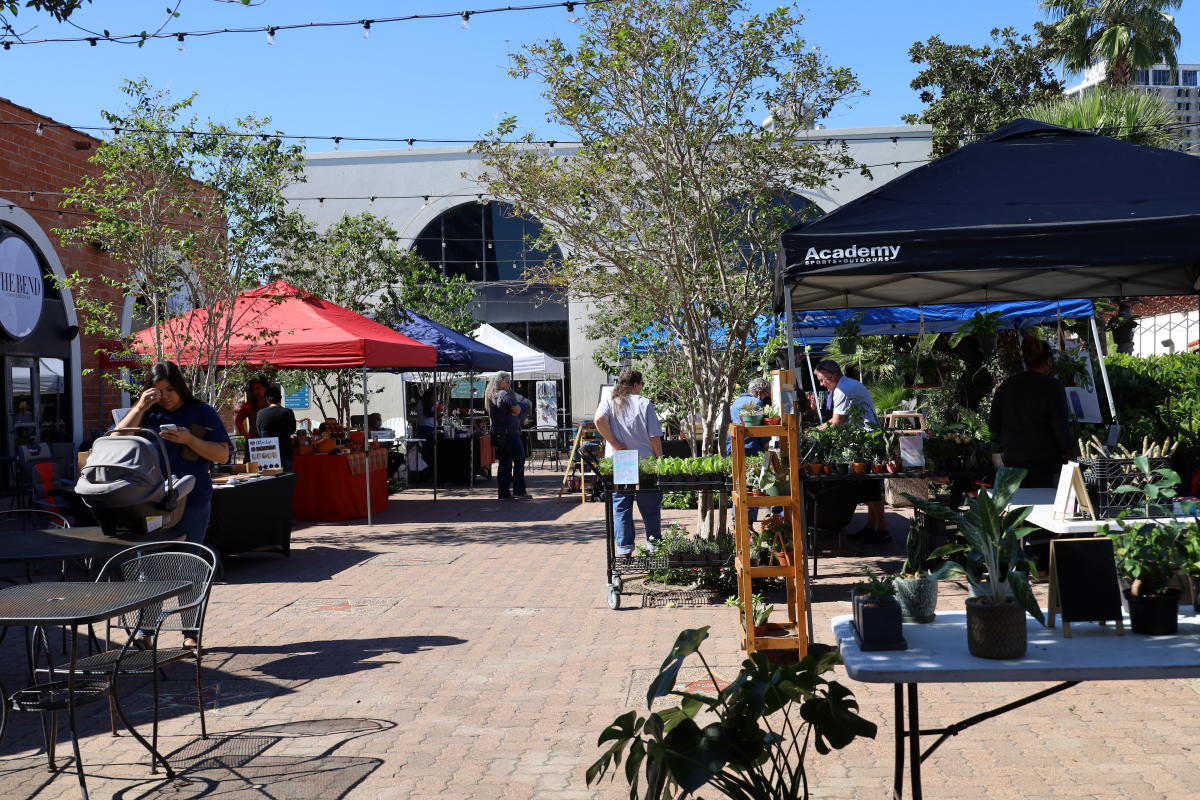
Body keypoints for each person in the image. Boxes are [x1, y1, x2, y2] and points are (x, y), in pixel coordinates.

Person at [116, 361, 230, 649]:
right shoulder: (146, 413)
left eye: (170, 389)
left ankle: (190, 633)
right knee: (149, 568)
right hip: (150, 504)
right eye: (158, 390)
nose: (166, 396)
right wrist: (140, 407)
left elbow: (223, 455)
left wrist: (188, 439)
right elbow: (116, 441)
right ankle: (146, 632)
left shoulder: (201, 412)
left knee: (189, 566)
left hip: (193, 501)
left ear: (181, 387)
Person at [814, 359, 887, 541]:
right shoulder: (850, 384)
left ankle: (883, 531)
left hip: (868, 442)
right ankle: (871, 527)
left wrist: (814, 431)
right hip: (870, 439)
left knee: (871, 488)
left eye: (822, 380)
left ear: (831, 375)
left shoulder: (841, 390)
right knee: (870, 488)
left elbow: (837, 422)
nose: (822, 384)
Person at [594, 369, 664, 556]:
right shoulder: (644, 403)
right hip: (645, 461)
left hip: (621, 460)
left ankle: (624, 551)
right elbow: (654, 437)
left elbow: (598, 420)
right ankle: (654, 547)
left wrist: (615, 444)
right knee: (650, 507)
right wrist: (661, 460)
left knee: (622, 506)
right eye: (641, 385)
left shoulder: (610, 400)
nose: (642, 388)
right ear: (635, 385)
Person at [989, 335, 1072, 488]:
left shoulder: (1006, 386)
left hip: (1013, 458)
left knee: (1019, 505)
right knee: (1044, 504)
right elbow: (1060, 426)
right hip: (1045, 460)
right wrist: (1068, 451)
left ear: (1025, 361)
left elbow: (993, 424)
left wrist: (1008, 443)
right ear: (1049, 361)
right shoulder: (1052, 387)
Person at [728, 377, 773, 529]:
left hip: (735, 450)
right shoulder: (756, 403)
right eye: (766, 395)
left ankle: (737, 523)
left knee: (740, 488)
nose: (767, 399)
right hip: (751, 451)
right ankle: (747, 524)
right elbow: (760, 433)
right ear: (760, 392)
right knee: (753, 489)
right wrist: (769, 451)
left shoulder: (735, 403)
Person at [486, 371, 531, 501]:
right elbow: (516, 410)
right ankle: (519, 491)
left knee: (504, 463)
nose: (510, 384)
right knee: (519, 459)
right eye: (508, 381)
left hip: (499, 434)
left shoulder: (491, 395)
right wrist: (521, 408)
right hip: (510, 433)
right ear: (502, 382)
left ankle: (503, 493)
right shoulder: (504, 394)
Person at [256, 386, 297, 471]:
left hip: (267, 455)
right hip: (285, 452)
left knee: (271, 483)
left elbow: (260, 432)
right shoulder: (288, 412)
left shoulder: (260, 413)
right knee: (286, 482)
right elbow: (292, 430)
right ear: (281, 398)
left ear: (267, 399)